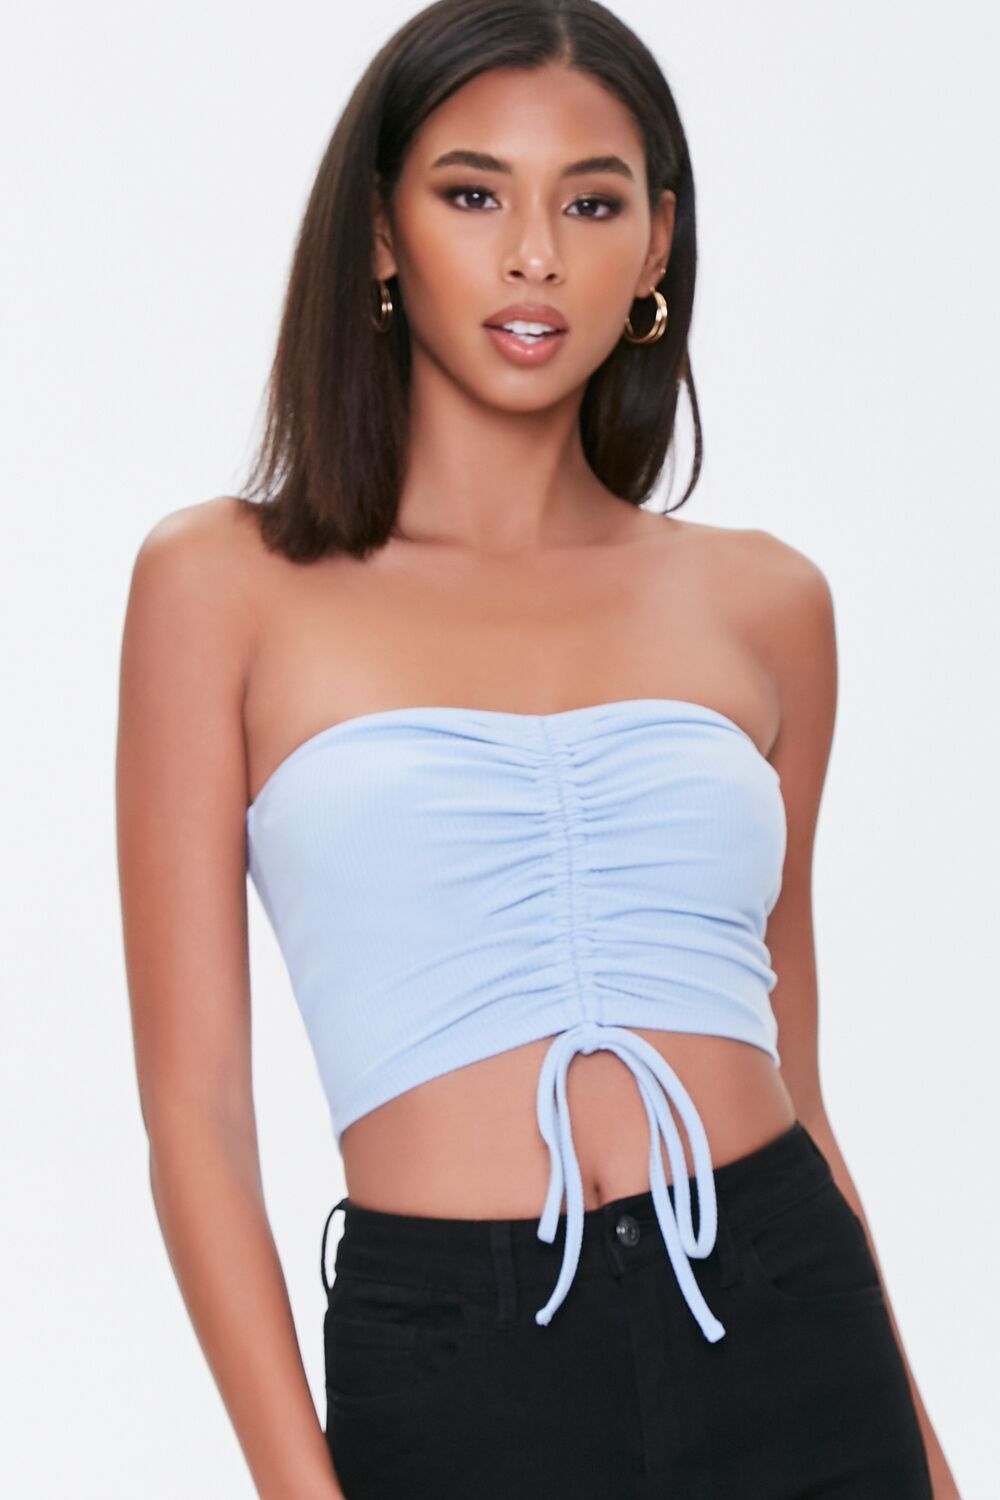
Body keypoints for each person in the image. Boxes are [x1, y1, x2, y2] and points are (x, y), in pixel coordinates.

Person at [116, 1, 957, 1495]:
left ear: (656, 244)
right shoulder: (222, 583)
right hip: (461, 1368)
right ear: (381, 234)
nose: (534, 256)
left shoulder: (766, 603)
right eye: (471, 193)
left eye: (591, 202)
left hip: (789, 1316)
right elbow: (197, 1116)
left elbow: (800, 1072)